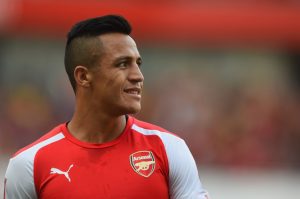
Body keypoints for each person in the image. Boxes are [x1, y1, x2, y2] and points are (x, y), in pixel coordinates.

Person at [4, 15, 209, 199]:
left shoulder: (169, 149)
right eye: (122, 64)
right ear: (83, 76)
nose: (138, 75)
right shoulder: (29, 165)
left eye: (138, 63)